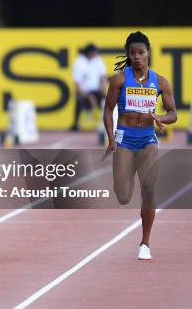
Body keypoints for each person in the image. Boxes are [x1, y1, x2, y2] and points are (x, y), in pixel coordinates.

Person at [103, 31, 177, 260]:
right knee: (124, 196)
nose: (137, 57)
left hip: (147, 138)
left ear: (148, 54)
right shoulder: (120, 79)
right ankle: (124, 179)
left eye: (141, 53)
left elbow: (173, 113)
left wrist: (160, 119)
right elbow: (107, 110)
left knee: (149, 189)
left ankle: (145, 243)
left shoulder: (160, 81)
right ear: (128, 54)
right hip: (125, 137)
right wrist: (111, 137)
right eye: (132, 53)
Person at [71, 43, 107, 131]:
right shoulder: (79, 62)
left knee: (108, 100)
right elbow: (77, 84)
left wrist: (103, 88)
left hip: (97, 91)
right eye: (95, 53)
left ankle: (107, 123)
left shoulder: (98, 60)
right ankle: (75, 124)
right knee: (79, 100)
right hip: (83, 92)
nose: (96, 55)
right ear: (89, 53)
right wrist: (89, 96)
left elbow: (103, 76)